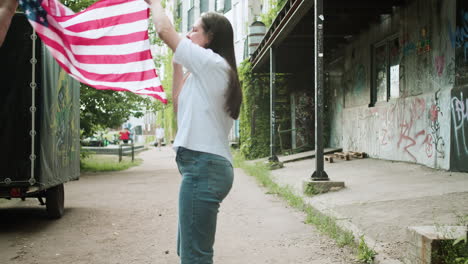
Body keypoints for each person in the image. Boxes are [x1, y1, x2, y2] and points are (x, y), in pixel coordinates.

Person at [146, 1, 242, 263]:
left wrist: (155, 3)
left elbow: (164, 31)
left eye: (194, 29)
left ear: (211, 37)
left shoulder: (212, 64)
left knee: (195, 256)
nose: (188, 34)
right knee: (188, 249)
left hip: (204, 167)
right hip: (202, 167)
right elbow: (178, 106)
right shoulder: (201, 73)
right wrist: (178, 61)